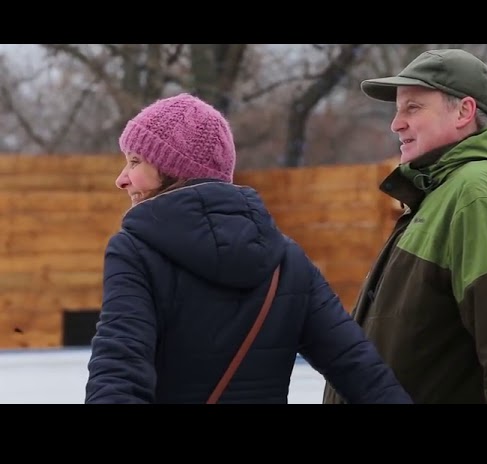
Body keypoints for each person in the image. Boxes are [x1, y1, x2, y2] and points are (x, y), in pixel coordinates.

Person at [84, 93, 413, 404]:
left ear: (173, 169)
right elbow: (360, 370)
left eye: (135, 161)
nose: (121, 179)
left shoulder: (135, 250)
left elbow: (118, 370)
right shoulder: (287, 259)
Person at [323, 48, 487, 404]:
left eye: (413, 107)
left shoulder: (480, 197)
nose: (396, 123)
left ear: (464, 111)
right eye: (397, 109)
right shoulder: (441, 195)